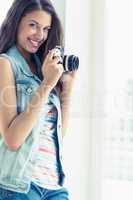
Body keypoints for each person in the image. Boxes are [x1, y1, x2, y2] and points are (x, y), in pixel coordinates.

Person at [0, 0, 78, 199]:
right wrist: (46, 85)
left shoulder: (45, 67)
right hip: (20, 187)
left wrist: (66, 89)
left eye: (46, 28)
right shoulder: (5, 64)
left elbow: (58, 135)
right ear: (16, 22)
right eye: (33, 25)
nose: (40, 35)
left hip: (55, 186)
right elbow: (12, 139)